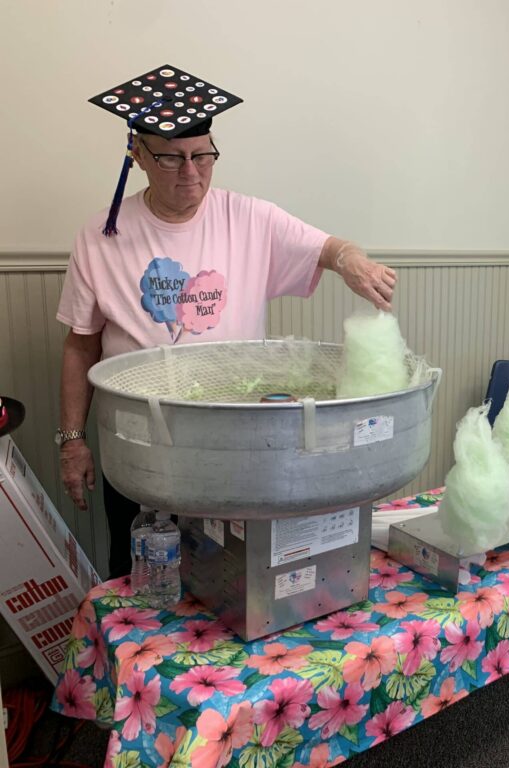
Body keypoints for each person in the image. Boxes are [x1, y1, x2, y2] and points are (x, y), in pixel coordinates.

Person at [55, 65, 397, 577]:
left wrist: (351, 261)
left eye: (202, 155)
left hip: (234, 448)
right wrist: (72, 441)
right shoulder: (100, 236)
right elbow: (81, 345)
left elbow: (329, 247)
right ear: (139, 155)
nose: (190, 172)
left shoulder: (250, 218)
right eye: (171, 157)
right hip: (140, 448)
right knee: (141, 580)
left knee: (233, 579)